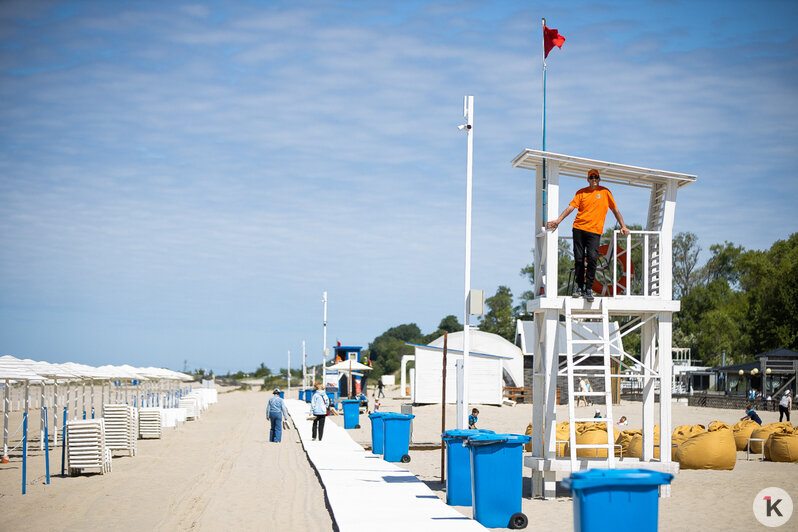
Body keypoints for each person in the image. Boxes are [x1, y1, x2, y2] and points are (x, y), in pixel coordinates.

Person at [546, 168, 631, 302]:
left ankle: (589, 289)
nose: (594, 180)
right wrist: (558, 221)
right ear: (587, 179)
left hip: (595, 231)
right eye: (591, 177)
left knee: (592, 258)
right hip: (579, 228)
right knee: (579, 259)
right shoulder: (581, 192)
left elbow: (615, 210)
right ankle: (580, 287)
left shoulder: (605, 192)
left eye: (596, 177)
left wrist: (623, 226)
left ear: (599, 178)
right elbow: (570, 208)